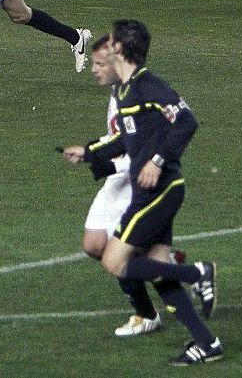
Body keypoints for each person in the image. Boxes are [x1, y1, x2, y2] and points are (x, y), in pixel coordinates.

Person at [68, 18, 221, 366]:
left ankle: (197, 273)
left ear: (120, 48)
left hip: (159, 191)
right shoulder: (124, 92)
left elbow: (187, 121)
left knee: (115, 261)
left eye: (111, 41)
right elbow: (125, 140)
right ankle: (207, 343)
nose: (106, 46)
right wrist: (88, 153)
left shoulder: (148, 86)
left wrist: (157, 159)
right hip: (149, 191)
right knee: (156, 269)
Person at [60, 34, 167, 338]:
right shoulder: (118, 92)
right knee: (94, 245)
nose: (93, 70)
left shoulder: (136, 98)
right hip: (118, 180)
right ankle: (167, 263)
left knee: (113, 255)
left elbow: (142, 150)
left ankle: (148, 312)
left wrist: (106, 163)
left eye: (99, 64)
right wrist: (91, 151)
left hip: (137, 181)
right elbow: (118, 138)